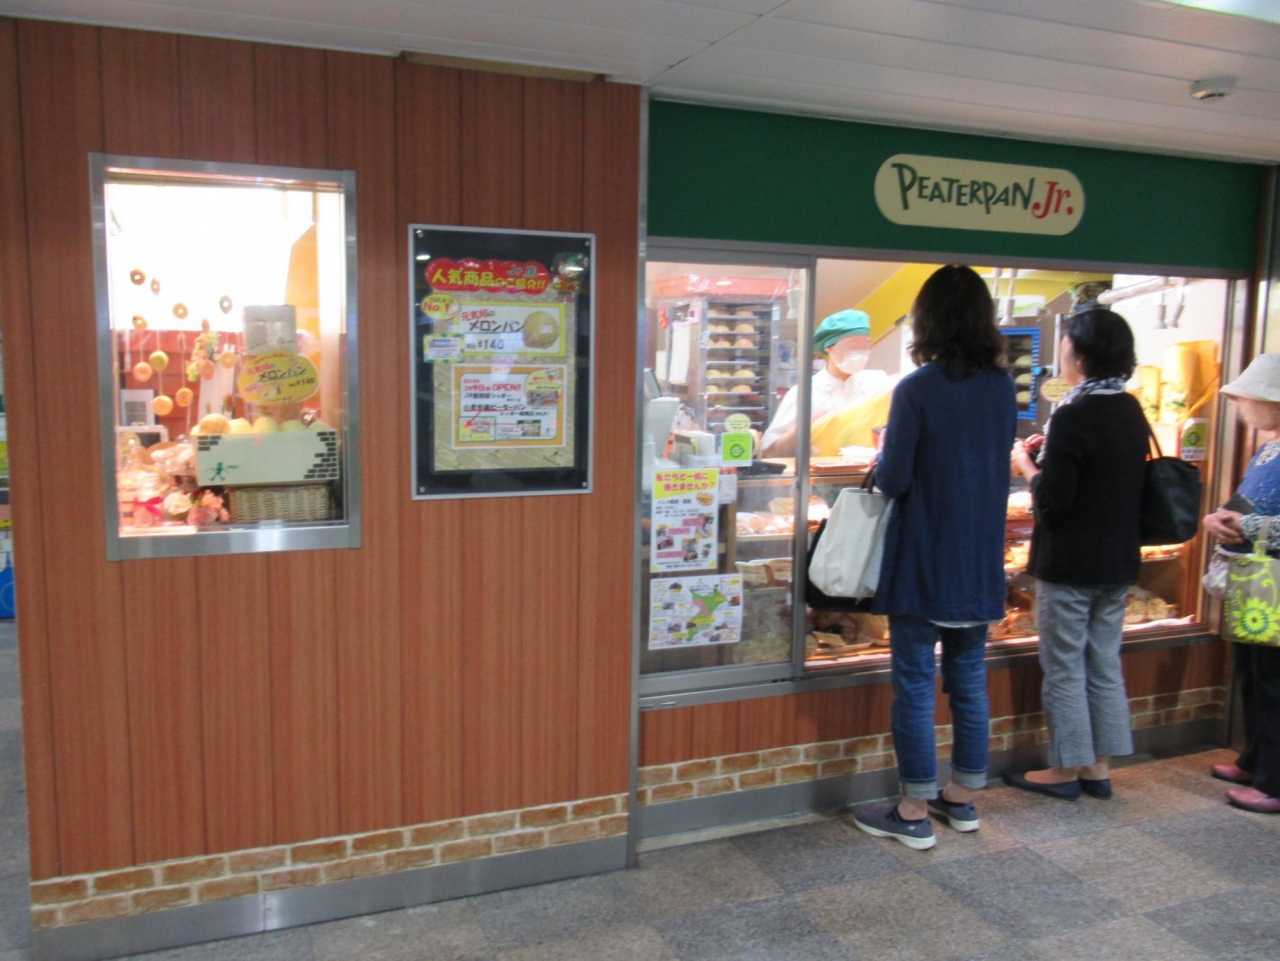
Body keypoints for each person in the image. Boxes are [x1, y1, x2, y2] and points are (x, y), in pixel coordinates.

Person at [851, 265, 1016, 850]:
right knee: (969, 682)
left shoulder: (916, 389)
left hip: (924, 554)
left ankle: (913, 809)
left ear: (927, 320)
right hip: (979, 557)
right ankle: (962, 798)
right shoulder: (1002, 388)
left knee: (917, 685)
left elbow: (894, 478)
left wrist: (884, 454)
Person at [1004, 308, 1149, 800]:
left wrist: (1026, 465)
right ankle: (1098, 768)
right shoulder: (1129, 409)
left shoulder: (1072, 413)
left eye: (1065, 346)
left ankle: (1064, 769)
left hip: (1070, 564)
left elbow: (1053, 503)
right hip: (1117, 561)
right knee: (1103, 663)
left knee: (1065, 666)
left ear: (1080, 356)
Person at [1200, 353, 1280, 814]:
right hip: (1255, 581)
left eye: (1248, 397)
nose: (1241, 406)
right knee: (1251, 672)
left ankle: (1274, 782)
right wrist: (1220, 518)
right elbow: (1247, 504)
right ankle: (1255, 760)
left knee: (1274, 681)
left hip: (1273, 581)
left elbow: (1259, 519)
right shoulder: (1267, 448)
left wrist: (1245, 526)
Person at [760, 309, 873, 457]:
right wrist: (805, 427)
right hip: (817, 471)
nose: (859, 353)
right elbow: (770, 451)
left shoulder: (874, 386)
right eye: (851, 346)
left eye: (865, 346)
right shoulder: (805, 393)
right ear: (828, 347)